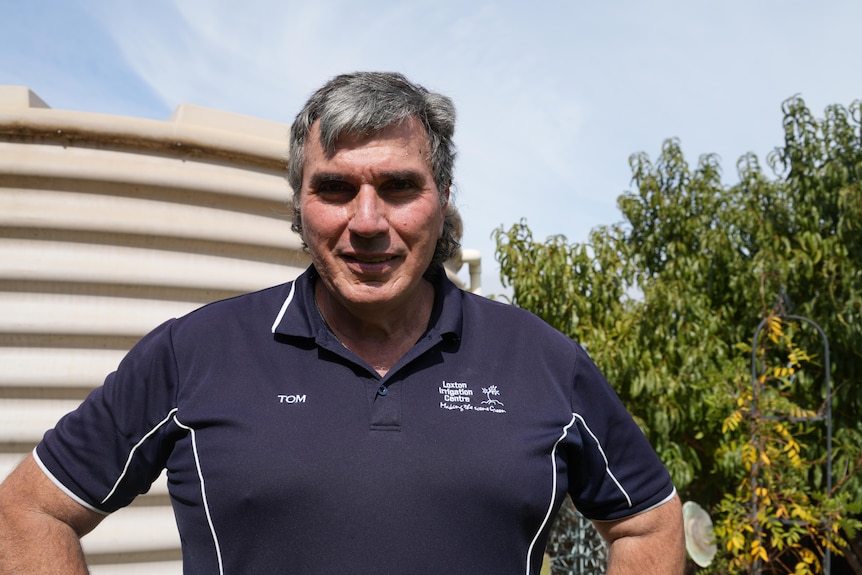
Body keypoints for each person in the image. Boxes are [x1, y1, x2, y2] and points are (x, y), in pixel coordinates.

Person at [0, 71, 685, 574]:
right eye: (335, 187)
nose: (366, 221)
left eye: (398, 186)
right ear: (299, 205)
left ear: (442, 200)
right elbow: (29, 510)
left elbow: (650, 521)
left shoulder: (542, 360)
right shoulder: (197, 352)